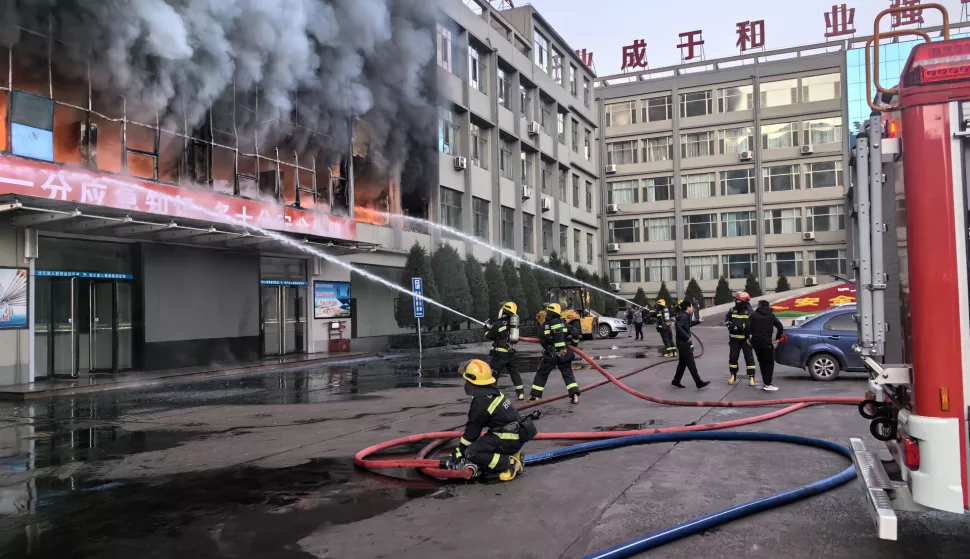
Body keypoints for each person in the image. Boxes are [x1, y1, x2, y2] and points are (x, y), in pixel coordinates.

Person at [447, 359, 537, 481]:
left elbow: (472, 432)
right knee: (484, 443)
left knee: (472, 453)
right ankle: (514, 456)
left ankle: (508, 464)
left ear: (472, 381)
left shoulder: (481, 402)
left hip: (508, 439)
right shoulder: (493, 392)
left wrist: (460, 451)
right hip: (515, 436)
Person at [530, 303, 582, 404]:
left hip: (551, 354)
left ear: (549, 313)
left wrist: (547, 348)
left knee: (542, 373)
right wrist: (574, 344)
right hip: (565, 353)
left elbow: (542, 340)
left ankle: (535, 396)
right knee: (568, 374)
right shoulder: (564, 323)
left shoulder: (546, 325)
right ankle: (575, 396)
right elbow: (575, 333)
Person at [484, 301, 524, 400]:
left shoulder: (499, 323)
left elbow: (490, 336)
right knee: (514, 373)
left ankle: (491, 394)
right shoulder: (512, 323)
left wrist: (485, 328)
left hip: (500, 354)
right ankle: (520, 394)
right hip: (510, 352)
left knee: (493, 374)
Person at [672, 299, 710, 389]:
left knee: (682, 363)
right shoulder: (684, 316)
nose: (692, 308)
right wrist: (687, 337)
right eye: (691, 306)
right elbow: (678, 327)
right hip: (684, 343)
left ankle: (676, 381)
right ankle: (698, 382)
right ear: (688, 307)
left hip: (682, 343)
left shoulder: (684, 315)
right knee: (691, 363)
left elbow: (686, 325)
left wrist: (698, 321)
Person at [749, 300, 785, 391]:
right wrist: (777, 337)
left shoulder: (753, 315)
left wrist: (749, 339)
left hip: (756, 343)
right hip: (767, 343)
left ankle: (765, 382)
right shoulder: (771, 315)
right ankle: (768, 384)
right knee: (769, 363)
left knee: (762, 362)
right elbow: (780, 326)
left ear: (759, 306)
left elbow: (747, 327)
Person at [724, 291, 757, 386]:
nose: (737, 302)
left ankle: (751, 377)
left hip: (746, 339)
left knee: (749, 358)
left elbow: (752, 325)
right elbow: (727, 318)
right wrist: (729, 324)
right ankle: (733, 375)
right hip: (734, 339)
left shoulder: (750, 312)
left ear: (744, 302)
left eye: (739, 300)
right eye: (737, 300)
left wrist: (742, 328)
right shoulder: (732, 310)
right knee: (733, 358)